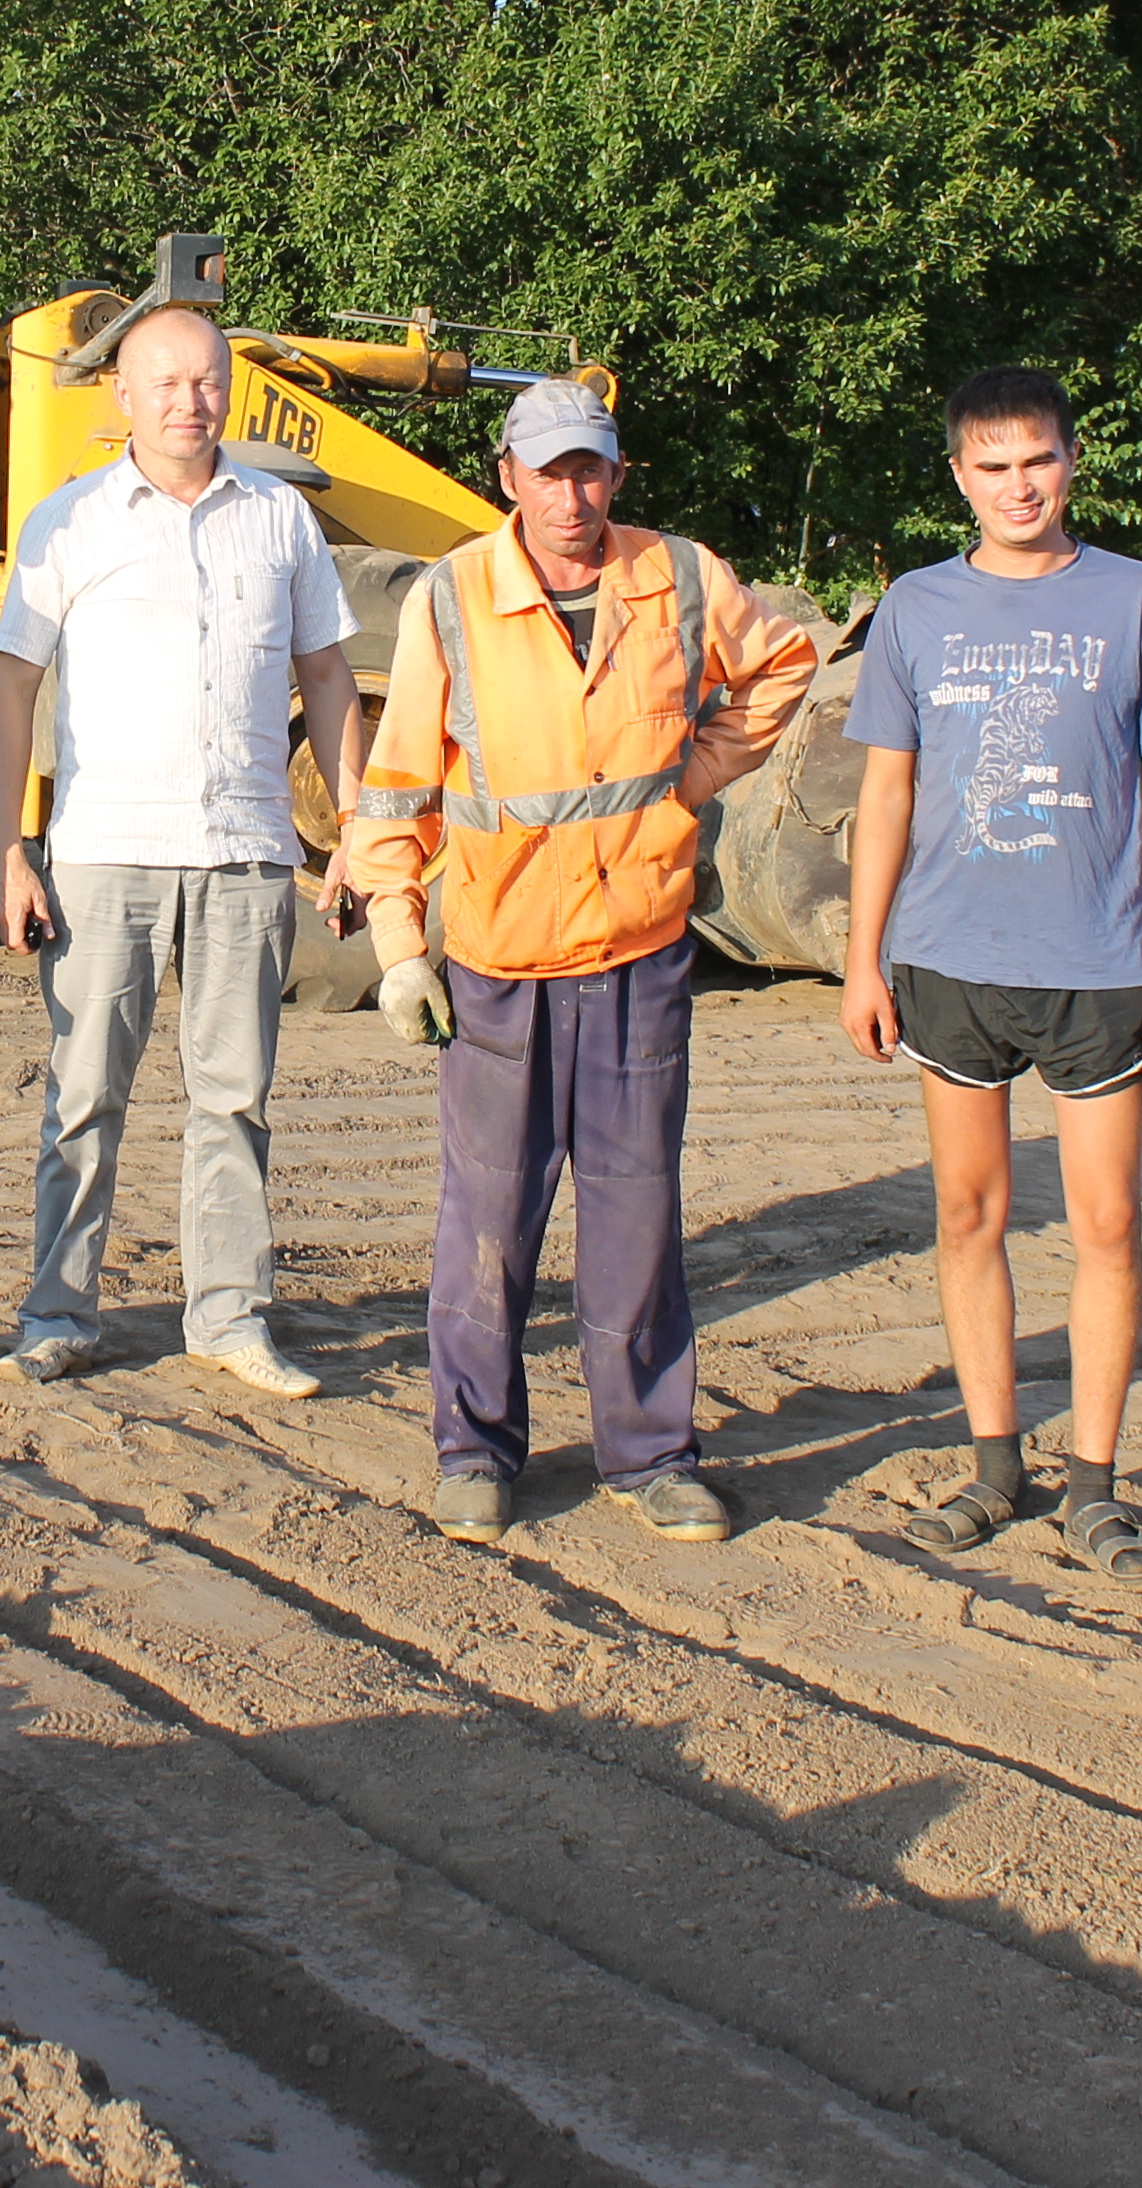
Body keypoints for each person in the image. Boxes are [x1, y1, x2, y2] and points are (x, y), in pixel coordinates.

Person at [348, 378, 816, 1546]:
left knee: (636, 1210)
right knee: (489, 1219)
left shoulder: (682, 575)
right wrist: (402, 946)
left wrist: (692, 781)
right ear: (509, 474)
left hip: (639, 949)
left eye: (590, 469)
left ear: (617, 472)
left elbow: (787, 663)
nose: (572, 494)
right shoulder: (451, 596)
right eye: (549, 471)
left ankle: (651, 1453)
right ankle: (474, 1448)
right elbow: (397, 782)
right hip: (501, 961)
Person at [837, 364, 1142, 1585]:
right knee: (971, 1216)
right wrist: (863, 956)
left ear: (1070, 462)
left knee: (1105, 1224)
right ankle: (995, 1467)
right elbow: (885, 790)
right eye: (992, 466)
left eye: (1037, 461)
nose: (1018, 486)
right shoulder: (915, 611)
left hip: (1100, 967)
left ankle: (1096, 1490)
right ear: (959, 476)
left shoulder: (1133, 599)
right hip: (948, 962)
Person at [0, 301, 367, 1396]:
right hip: (105, 855)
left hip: (244, 851)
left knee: (234, 1097)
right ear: (123, 396)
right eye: (167, 383)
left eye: (208, 380)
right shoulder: (70, 521)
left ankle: (231, 1318)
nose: (191, 401)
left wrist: (355, 827)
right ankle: (57, 1313)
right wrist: (7, 847)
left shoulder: (281, 518)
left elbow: (329, 678)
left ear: (230, 388)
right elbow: (13, 689)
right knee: (86, 1094)